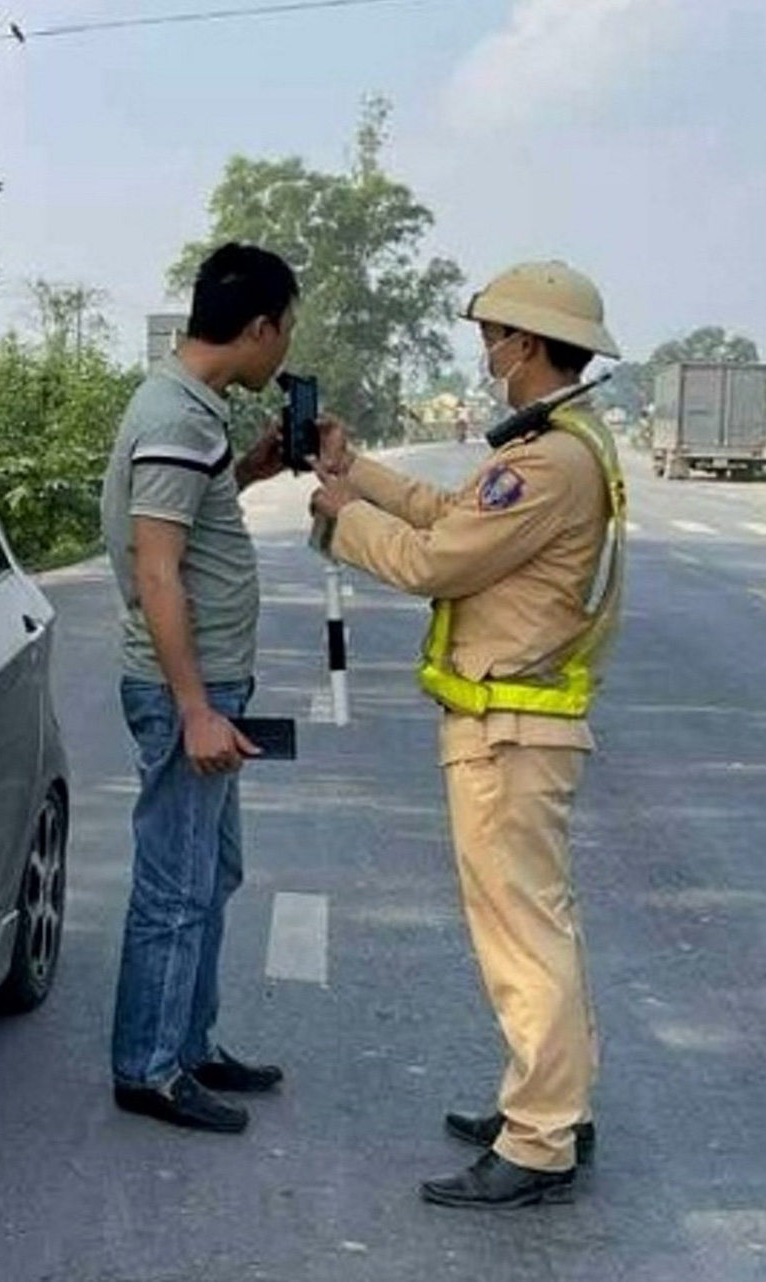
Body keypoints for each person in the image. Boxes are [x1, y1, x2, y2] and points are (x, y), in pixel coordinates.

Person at [308, 261, 627, 1208]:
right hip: (513, 726)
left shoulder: (549, 461)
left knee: (524, 940)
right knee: (537, 929)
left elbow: (436, 561)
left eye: (492, 334)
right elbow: (456, 515)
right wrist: (354, 469)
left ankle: (539, 1142)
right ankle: (552, 1106)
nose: (484, 351)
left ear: (526, 342)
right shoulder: (554, 446)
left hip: (509, 732)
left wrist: (339, 516)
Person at [102, 242, 341, 1134]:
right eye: (287, 331)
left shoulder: (192, 413)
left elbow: (187, 513)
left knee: (213, 870)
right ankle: (150, 1068)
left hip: (207, 684)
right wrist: (197, 707)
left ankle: (187, 1042)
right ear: (258, 327)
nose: (285, 351)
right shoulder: (176, 415)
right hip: (184, 690)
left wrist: (254, 468)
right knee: (174, 881)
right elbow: (159, 570)